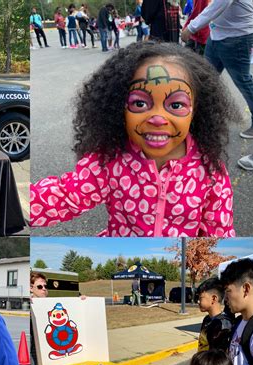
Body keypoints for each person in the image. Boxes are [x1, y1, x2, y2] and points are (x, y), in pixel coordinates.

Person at [30, 42, 239, 237]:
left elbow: (218, 234)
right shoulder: (109, 162)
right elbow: (62, 197)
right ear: (118, 107)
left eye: (176, 105)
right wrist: (6, 203)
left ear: (196, 111)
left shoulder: (210, 171)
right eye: (140, 104)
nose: (157, 119)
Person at [180, 0, 253, 139]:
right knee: (205, 79)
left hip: (238, 37)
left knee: (243, 80)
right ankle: (203, 120)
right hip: (216, 35)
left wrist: (191, 27)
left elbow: (218, 5)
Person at [196, 277, 234, 352]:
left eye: (201, 298)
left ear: (213, 299)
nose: (198, 301)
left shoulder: (223, 324)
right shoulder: (207, 319)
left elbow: (220, 358)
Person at [30, 271, 48, 365]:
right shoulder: (30, 305)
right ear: (31, 288)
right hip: (34, 353)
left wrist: (82, 301)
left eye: (45, 286)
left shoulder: (51, 304)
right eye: (40, 287)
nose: (44, 289)